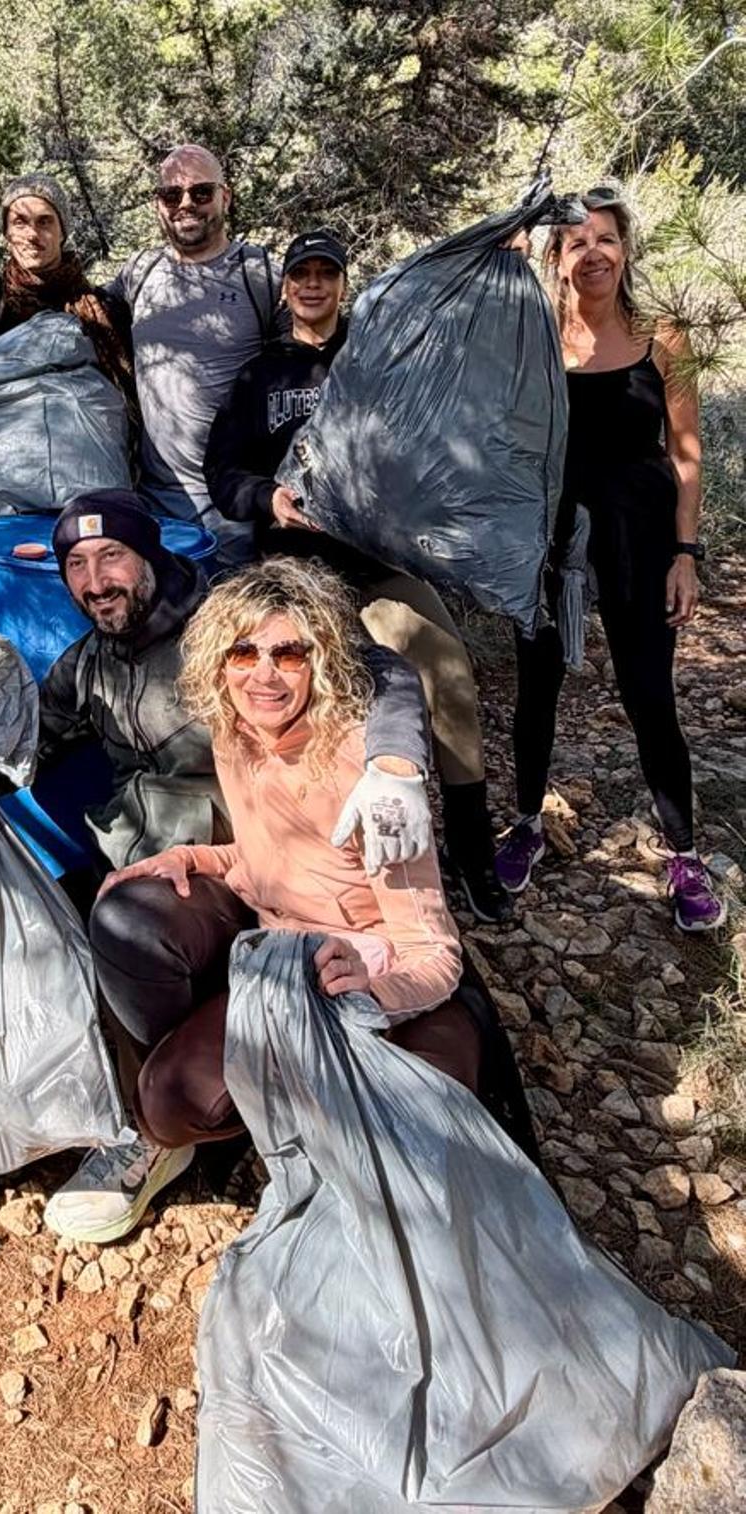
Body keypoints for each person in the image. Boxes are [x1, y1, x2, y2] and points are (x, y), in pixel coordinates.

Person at [43, 557, 478, 1244]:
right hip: (281, 964)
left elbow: (433, 951)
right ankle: (219, 1133)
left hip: (372, 976)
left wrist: (377, 986)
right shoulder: (236, 733)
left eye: (289, 653)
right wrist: (192, 858)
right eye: (244, 652)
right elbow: (270, 860)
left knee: (416, 1148)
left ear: (322, 662)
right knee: (163, 1093)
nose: (264, 674)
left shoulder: (369, 769)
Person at [204, 229, 512, 923]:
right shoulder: (260, 378)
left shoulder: (378, 361)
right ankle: (309, 858)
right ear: (285, 289)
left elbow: (436, 444)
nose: (314, 285)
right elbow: (221, 473)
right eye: (301, 274)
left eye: (327, 274)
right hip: (292, 572)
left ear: (344, 285)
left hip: (374, 565)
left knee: (447, 670)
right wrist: (270, 499)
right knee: (303, 692)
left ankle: (469, 848)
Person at [0, 490, 435, 874]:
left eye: (111, 556)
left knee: (133, 931)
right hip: (136, 852)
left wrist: (394, 765)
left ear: (149, 555)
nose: (95, 584)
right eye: (77, 564)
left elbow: (379, 669)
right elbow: (28, 744)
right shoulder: (89, 662)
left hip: (249, 853)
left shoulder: (230, 621)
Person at [495, 189, 725, 933]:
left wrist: (686, 553)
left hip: (643, 536)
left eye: (605, 240)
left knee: (649, 695)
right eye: (576, 243)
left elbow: (687, 455)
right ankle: (526, 821)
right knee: (539, 685)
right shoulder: (535, 336)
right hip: (553, 538)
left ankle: (684, 854)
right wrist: (504, 272)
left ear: (625, 250)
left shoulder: (664, 335)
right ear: (558, 260)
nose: (593, 253)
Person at [107, 145, 277, 559]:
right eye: (172, 195)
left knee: (234, 620)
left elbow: (310, 359)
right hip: (155, 503)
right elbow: (87, 326)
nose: (186, 204)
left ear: (225, 196)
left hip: (234, 504)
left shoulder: (259, 274)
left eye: (201, 193)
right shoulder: (139, 273)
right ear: (158, 205)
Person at [0, 172, 134, 406]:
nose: (32, 235)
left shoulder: (103, 307)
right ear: (7, 234)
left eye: (44, 222)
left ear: (62, 231)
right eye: (20, 222)